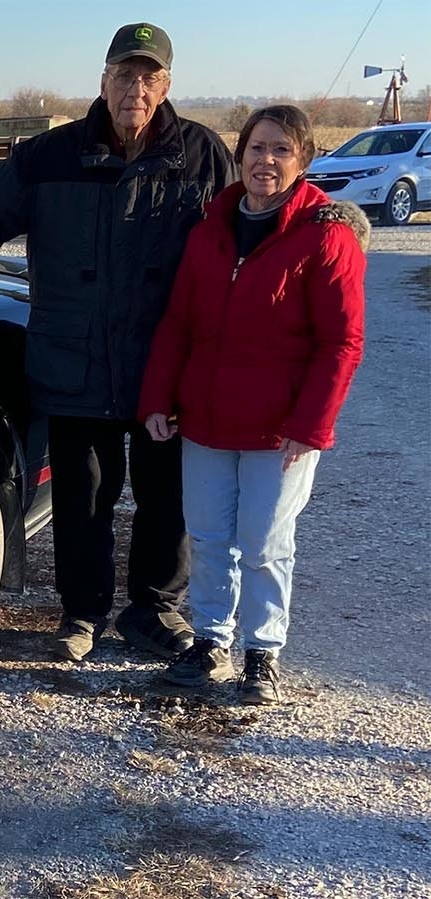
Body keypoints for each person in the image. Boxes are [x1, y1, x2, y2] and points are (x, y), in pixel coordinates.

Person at [0, 23, 236, 661]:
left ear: (165, 86)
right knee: (83, 498)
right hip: (75, 359)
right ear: (103, 79)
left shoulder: (200, 156)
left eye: (148, 77)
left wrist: (325, 222)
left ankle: (153, 612)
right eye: (123, 74)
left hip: (163, 364)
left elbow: (254, 219)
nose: (133, 88)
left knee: (167, 498)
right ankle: (82, 614)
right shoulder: (51, 155)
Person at [138, 105, 367, 704]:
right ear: (240, 156)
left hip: (281, 429)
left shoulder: (325, 235)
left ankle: (262, 652)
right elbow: (178, 323)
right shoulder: (210, 228)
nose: (266, 160)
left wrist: (311, 424)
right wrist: (158, 397)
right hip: (207, 421)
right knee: (210, 536)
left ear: (304, 160)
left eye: (281, 150)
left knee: (265, 541)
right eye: (257, 148)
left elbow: (342, 341)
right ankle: (211, 639)